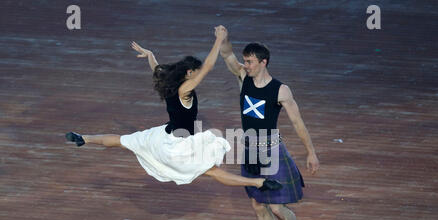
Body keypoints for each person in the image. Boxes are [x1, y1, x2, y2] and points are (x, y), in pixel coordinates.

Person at [65, 26, 283, 193]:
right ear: (189, 73)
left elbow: (156, 67)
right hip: (178, 145)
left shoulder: (168, 82)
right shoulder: (184, 90)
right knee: (212, 171)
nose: (198, 76)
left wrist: (150, 55)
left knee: (123, 140)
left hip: (162, 136)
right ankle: (259, 182)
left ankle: (84, 138)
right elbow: (207, 67)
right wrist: (217, 41)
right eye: (195, 73)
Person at [219, 27, 320, 220]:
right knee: (257, 204)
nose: (246, 65)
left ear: (263, 62)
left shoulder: (280, 90)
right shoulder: (242, 77)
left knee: (277, 208)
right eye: (245, 61)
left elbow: (298, 122)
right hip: (250, 150)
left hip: (272, 152)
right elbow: (226, 54)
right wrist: (223, 38)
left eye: (251, 62)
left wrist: (311, 152)